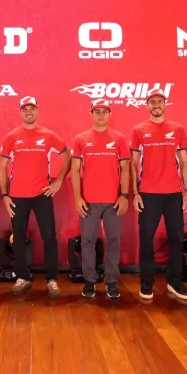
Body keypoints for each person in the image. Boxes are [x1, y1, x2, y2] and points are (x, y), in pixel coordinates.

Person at [0, 96, 71, 298]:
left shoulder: (48, 135)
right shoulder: (11, 137)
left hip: (42, 195)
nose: (28, 112)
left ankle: (52, 279)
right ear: (20, 112)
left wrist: (58, 181)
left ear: (38, 110)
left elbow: (68, 156)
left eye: (32, 108)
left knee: (49, 237)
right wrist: (4, 195)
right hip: (17, 196)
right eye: (25, 109)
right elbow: (2, 167)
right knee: (18, 237)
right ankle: (23, 277)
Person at [131, 88, 187, 301]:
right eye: (153, 101)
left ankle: (174, 281)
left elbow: (184, 161)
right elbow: (133, 163)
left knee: (176, 238)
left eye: (160, 101)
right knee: (146, 239)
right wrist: (136, 192)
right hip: (148, 194)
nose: (156, 105)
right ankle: (146, 282)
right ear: (147, 105)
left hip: (173, 193)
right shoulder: (138, 130)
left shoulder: (178, 129)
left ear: (165, 104)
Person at [71, 99, 130, 299]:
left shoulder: (119, 138)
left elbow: (125, 169)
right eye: (97, 111)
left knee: (113, 241)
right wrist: (78, 198)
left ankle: (111, 281)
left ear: (110, 114)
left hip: (114, 201)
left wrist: (124, 195)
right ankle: (90, 281)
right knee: (87, 241)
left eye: (105, 111)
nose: (101, 115)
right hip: (89, 201)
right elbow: (75, 170)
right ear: (91, 114)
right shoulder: (81, 138)